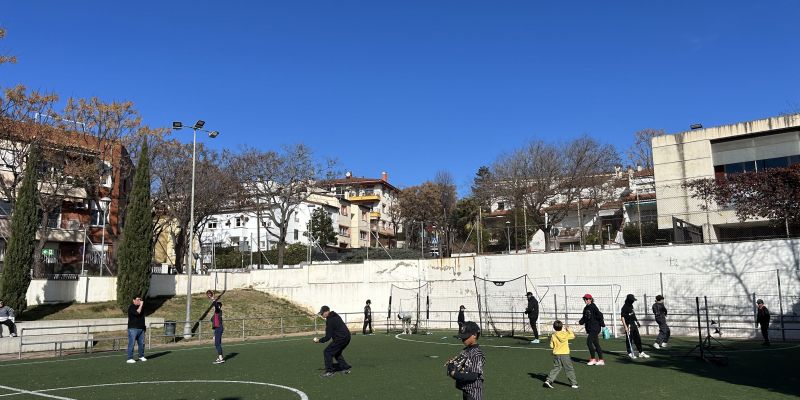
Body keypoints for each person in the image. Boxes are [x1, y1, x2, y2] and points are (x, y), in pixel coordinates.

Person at [445, 321, 485, 400]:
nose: (463, 340)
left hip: (474, 393)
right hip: (466, 390)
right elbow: (457, 363)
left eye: (465, 337)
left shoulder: (477, 354)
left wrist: (454, 374)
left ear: (474, 335)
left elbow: (473, 376)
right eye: (462, 337)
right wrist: (452, 364)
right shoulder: (466, 350)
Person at [313, 305, 352, 377]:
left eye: (322, 313)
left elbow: (328, 337)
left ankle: (329, 371)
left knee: (327, 352)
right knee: (337, 352)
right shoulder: (335, 315)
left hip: (341, 338)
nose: (321, 315)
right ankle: (345, 368)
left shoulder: (330, 320)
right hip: (347, 337)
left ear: (327, 311)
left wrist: (319, 340)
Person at [543, 320, 578, 389]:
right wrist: (568, 330)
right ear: (562, 326)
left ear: (554, 327)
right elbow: (573, 336)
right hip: (565, 354)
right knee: (569, 368)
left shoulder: (553, 335)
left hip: (556, 354)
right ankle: (574, 383)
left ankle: (549, 380)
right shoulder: (565, 334)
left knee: (556, 367)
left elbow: (551, 346)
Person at [578, 294, 605, 366]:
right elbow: (584, 317)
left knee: (589, 342)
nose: (586, 300)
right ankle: (601, 360)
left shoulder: (593, 306)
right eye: (585, 299)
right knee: (596, 343)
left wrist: (603, 325)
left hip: (595, 327)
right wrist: (580, 322)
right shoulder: (585, 308)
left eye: (587, 299)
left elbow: (600, 315)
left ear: (591, 299)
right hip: (590, 328)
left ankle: (593, 359)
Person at [620, 294, 649, 359]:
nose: (633, 301)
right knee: (629, 339)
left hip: (633, 324)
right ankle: (630, 353)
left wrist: (637, 321)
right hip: (629, 325)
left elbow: (633, 314)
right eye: (632, 300)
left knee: (637, 338)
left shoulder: (631, 306)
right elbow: (622, 317)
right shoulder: (624, 307)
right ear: (629, 300)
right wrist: (625, 327)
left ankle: (640, 352)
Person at [126, 296, 147, 363]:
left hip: (141, 328)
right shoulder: (131, 307)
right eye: (138, 300)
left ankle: (141, 356)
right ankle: (129, 358)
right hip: (133, 328)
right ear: (133, 300)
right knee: (131, 343)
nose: (139, 301)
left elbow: (142, 318)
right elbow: (137, 313)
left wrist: (144, 327)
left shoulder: (142, 308)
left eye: (140, 300)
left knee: (142, 343)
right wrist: (141, 305)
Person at [207, 290, 225, 364]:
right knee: (217, 343)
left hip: (219, 328)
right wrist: (214, 334)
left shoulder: (218, 311)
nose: (214, 307)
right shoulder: (216, 313)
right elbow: (214, 323)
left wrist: (213, 298)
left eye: (217, 306)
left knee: (217, 344)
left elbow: (216, 305)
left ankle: (221, 358)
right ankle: (220, 357)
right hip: (217, 329)